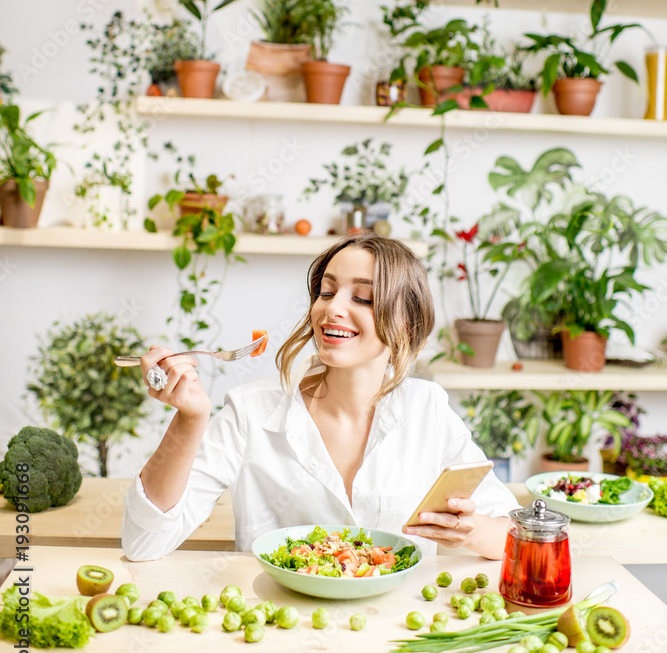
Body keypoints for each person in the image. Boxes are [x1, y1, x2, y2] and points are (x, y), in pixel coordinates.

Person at [122, 234, 517, 562]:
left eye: (362, 298)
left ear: (406, 322)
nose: (332, 309)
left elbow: (514, 537)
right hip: (274, 627)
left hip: (393, 636)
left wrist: (469, 530)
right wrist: (189, 419)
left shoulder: (426, 408)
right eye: (326, 292)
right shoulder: (249, 410)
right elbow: (144, 543)